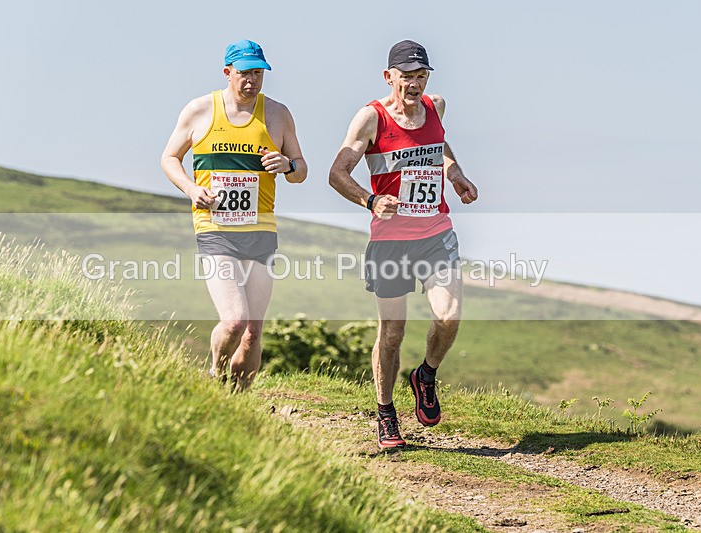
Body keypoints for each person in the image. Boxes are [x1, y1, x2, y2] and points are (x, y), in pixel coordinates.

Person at [329, 40, 478, 448]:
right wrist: (372, 200)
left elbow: (438, 144)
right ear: (389, 76)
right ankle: (385, 414)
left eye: (421, 76)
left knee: (448, 317)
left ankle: (425, 376)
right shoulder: (370, 118)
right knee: (392, 332)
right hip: (391, 241)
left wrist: (455, 172)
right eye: (406, 76)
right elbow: (337, 172)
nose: (414, 84)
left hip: (436, 234)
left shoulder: (435, 106)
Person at [161, 39, 307, 391]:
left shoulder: (277, 114)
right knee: (234, 321)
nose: (251, 81)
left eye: (258, 73)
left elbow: (301, 170)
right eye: (244, 73)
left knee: (254, 330)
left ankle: (238, 400)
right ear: (227, 72)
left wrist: (288, 165)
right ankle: (215, 375)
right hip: (216, 228)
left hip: (261, 230)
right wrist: (192, 189)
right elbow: (169, 158)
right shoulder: (200, 110)